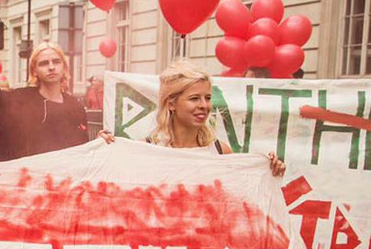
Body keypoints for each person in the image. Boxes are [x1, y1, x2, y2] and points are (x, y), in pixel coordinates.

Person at [97, 61, 286, 177]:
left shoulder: (220, 152)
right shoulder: (146, 149)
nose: (204, 105)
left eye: (208, 98)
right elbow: (113, 184)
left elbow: (241, 195)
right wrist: (102, 151)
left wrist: (270, 170)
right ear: (171, 103)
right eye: (194, 98)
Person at [0, 33, 88, 161]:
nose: (51, 67)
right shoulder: (19, 100)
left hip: (59, 171)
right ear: (34, 71)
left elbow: (82, 150)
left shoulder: (75, 107)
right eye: (44, 63)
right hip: (23, 172)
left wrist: (98, 144)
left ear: (64, 67)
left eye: (56, 62)